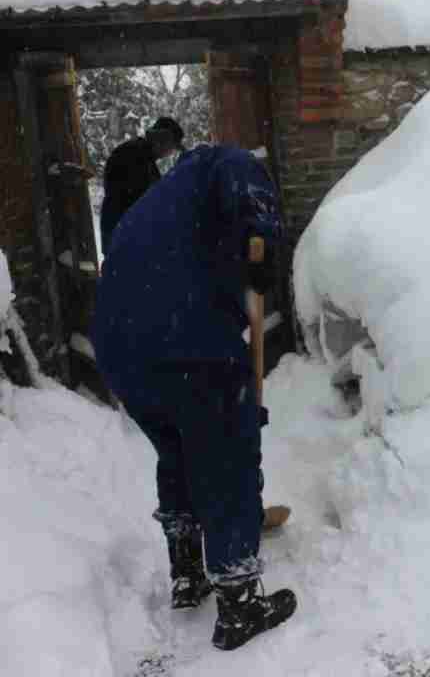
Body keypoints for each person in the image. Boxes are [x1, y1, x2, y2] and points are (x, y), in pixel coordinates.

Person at [91, 145, 295, 651]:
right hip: (184, 337)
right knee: (225, 454)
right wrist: (263, 243)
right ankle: (238, 602)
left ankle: (187, 572)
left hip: (119, 351)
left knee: (180, 450)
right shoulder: (226, 164)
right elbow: (250, 200)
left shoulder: (160, 202)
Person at [100, 116, 184, 252]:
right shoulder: (136, 156)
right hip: (123, 237)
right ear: (162, 140)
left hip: (122, 233)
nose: (170, 153)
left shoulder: (143, 156)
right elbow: (141, 200)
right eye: (172, 147)